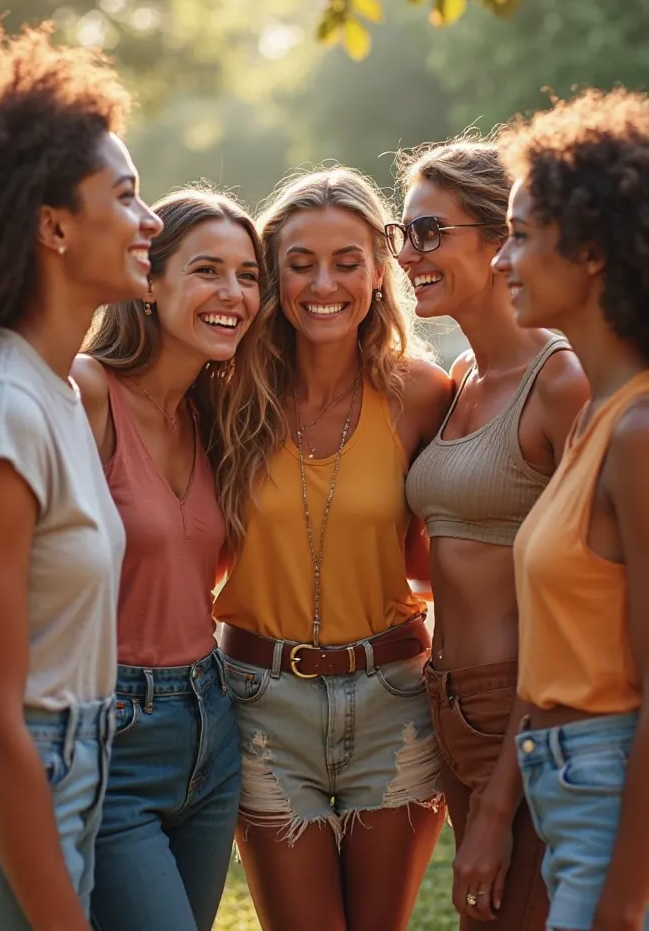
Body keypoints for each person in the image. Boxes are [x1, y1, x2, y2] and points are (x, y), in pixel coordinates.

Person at [213, 167, 452, 931]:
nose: (325, 283)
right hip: (260, 698)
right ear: (271, 273)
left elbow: (433, 548)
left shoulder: (422, 393)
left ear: (379, 273)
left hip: (395, 698)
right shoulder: (221, 396)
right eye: (300, 262)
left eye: (347, 262)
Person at [0, 25, 161, 931]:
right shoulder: (0, 404)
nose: (150, 219)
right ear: (51, 226)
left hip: (74, 762)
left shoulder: (53, 391)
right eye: (124, 196)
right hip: (7, 787)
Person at [393, 139, 589, 928]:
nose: (410, 255)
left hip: (527, 712)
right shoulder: (464, 381)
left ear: (501, 237)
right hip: (448, 704)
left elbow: (576, 617)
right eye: (403, 234)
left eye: (429, 233)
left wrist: (499, 803)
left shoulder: (560, 382)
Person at [72, 188, 267, 931]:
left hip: (212, 724)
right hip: (111, 730)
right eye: (208, 270)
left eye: (249, 275)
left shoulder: (213, 411)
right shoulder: (86, 394)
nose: (234, 294)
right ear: (148, 284)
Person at [496, 89, 649, 931]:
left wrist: (625, 899)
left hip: (609, 786)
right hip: (565, 783)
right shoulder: (595, 414)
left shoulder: (639, 433)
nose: (500, 260)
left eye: (519, 235)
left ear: (590, 249)